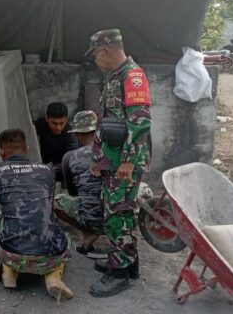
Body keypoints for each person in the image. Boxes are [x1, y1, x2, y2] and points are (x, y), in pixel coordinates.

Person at [85, 29, 152, 297]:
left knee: (117, 215)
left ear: (106, 51)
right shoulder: (115, 76)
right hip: (112, 161)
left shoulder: (132, 76)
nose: (96, 62)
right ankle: (127, 262)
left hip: (124, 163)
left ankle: (120, 273)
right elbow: (110, 122)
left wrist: (128, 161)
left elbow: (140, 121)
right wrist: (99, 160)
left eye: (95, 56)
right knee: (119, 211)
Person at [0, 129, 74, 301]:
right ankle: (53, 277)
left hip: (12, 252)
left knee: (4, 218)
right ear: (27, 148)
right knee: (64, 235)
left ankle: (9, 273)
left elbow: (4, 200)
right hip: (49, 253)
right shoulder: (47, 171)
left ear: (1, 152)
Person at [54, 110, 105, 259]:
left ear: (77, 134)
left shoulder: (71, 157)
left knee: (54, 202)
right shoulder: (114, 152)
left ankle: (89, 231)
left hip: (92, 218)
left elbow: (73, 192)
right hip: (116, 217)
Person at [34, 102, 79, 183]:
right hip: (43, 163)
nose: (58, 127)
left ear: (66, 120)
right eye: (54, 123)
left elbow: (71, 160)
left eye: (62, 123)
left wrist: (50, 169)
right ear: (47, 119)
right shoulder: (40, 124)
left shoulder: (70, 135)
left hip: (62, 170)